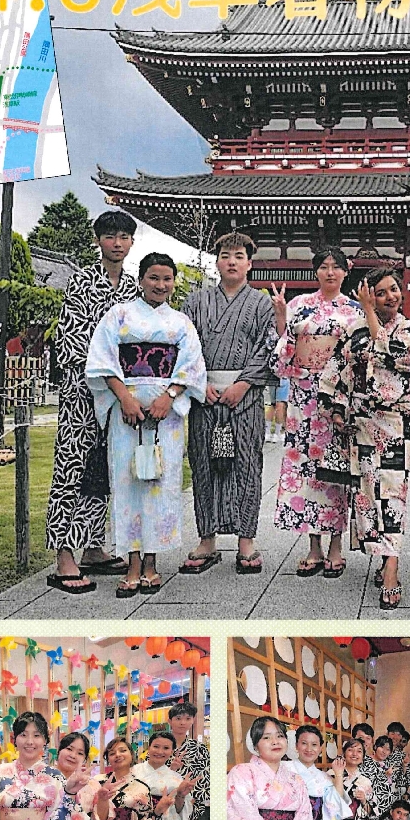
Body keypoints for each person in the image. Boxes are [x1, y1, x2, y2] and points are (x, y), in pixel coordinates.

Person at [86, 252, 206, 597]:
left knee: (159, 482)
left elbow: (191, 366)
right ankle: (132, 562)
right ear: (140, 280)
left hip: (164, 414)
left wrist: (169, 396)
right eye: (154, 278)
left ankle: (151, 564)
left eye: (167, 279)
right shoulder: (118, 315)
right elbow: (103, 360)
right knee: (126, 483)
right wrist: (124, 398)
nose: (161, 285)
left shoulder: (181, 323)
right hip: (127, 411)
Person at [45, 210, 140, 595]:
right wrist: (107, 380)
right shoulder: (82, 282)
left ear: (132, 243)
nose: (117, 243)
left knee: (103, 470)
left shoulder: (134, 288)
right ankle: (64, 556)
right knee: (73, 467)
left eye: (124, 237)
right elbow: (74, 340)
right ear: (98, 240)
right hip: (84, 392)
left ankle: (94, 547)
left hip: (120, 395)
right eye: (110, 236)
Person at [319, 268, 410, 608]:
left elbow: (399, 361)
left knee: (393, 496)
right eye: (381, 293)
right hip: (361, 424)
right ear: (369, 295)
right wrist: (335, 409)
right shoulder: (354, 332)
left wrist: (368, 313)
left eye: (394, 289)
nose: (391, 296)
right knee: (367, 498)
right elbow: (335, 370)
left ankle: (392, 567)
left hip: (394, 424)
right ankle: (382, 557)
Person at [180, 231, 277, 575]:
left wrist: (244, 383)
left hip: (244, 397)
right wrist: (198, 382)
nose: (231, 261)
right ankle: (206, 538)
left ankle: (246, 540)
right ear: (216, 261)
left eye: (238, 256)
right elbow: (184, 346)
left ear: (249, 263)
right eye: (225, 255)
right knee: (204, 465)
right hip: (204, 396)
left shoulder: (261, 303)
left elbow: (269, 346)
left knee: (247, 466)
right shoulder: (195, 301)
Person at [270, 248, 363, 576]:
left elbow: (360, 355)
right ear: (315, 271)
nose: (330, 273)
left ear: (346, 271)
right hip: (305, 400)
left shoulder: (355, 311)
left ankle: (336, 544)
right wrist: (283, 319)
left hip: (337, 401)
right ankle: (313, 546)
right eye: (323, 267)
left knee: (336, 472)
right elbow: (283, 353)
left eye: (336, 267)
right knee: (307, 472)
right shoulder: (298, 305)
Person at [168, 698, 211, 820]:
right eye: (178, 718)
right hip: (164, 801)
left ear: (193, 721)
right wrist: (170, 768)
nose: (182, 722)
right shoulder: (160, 746)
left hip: (190, 802)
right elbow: (151, 773)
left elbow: (205, 776)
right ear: (170, 721)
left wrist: (193, 800)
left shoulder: (200, 749)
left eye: (187, 718)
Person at [385, 722, 410, 799]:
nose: (395, 737)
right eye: (392, 733)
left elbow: (408, 778)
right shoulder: (381, 752)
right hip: (381, 792)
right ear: (387, 734)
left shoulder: (404, 756)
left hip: (397, 793)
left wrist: (407, 792)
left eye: (399, 735)